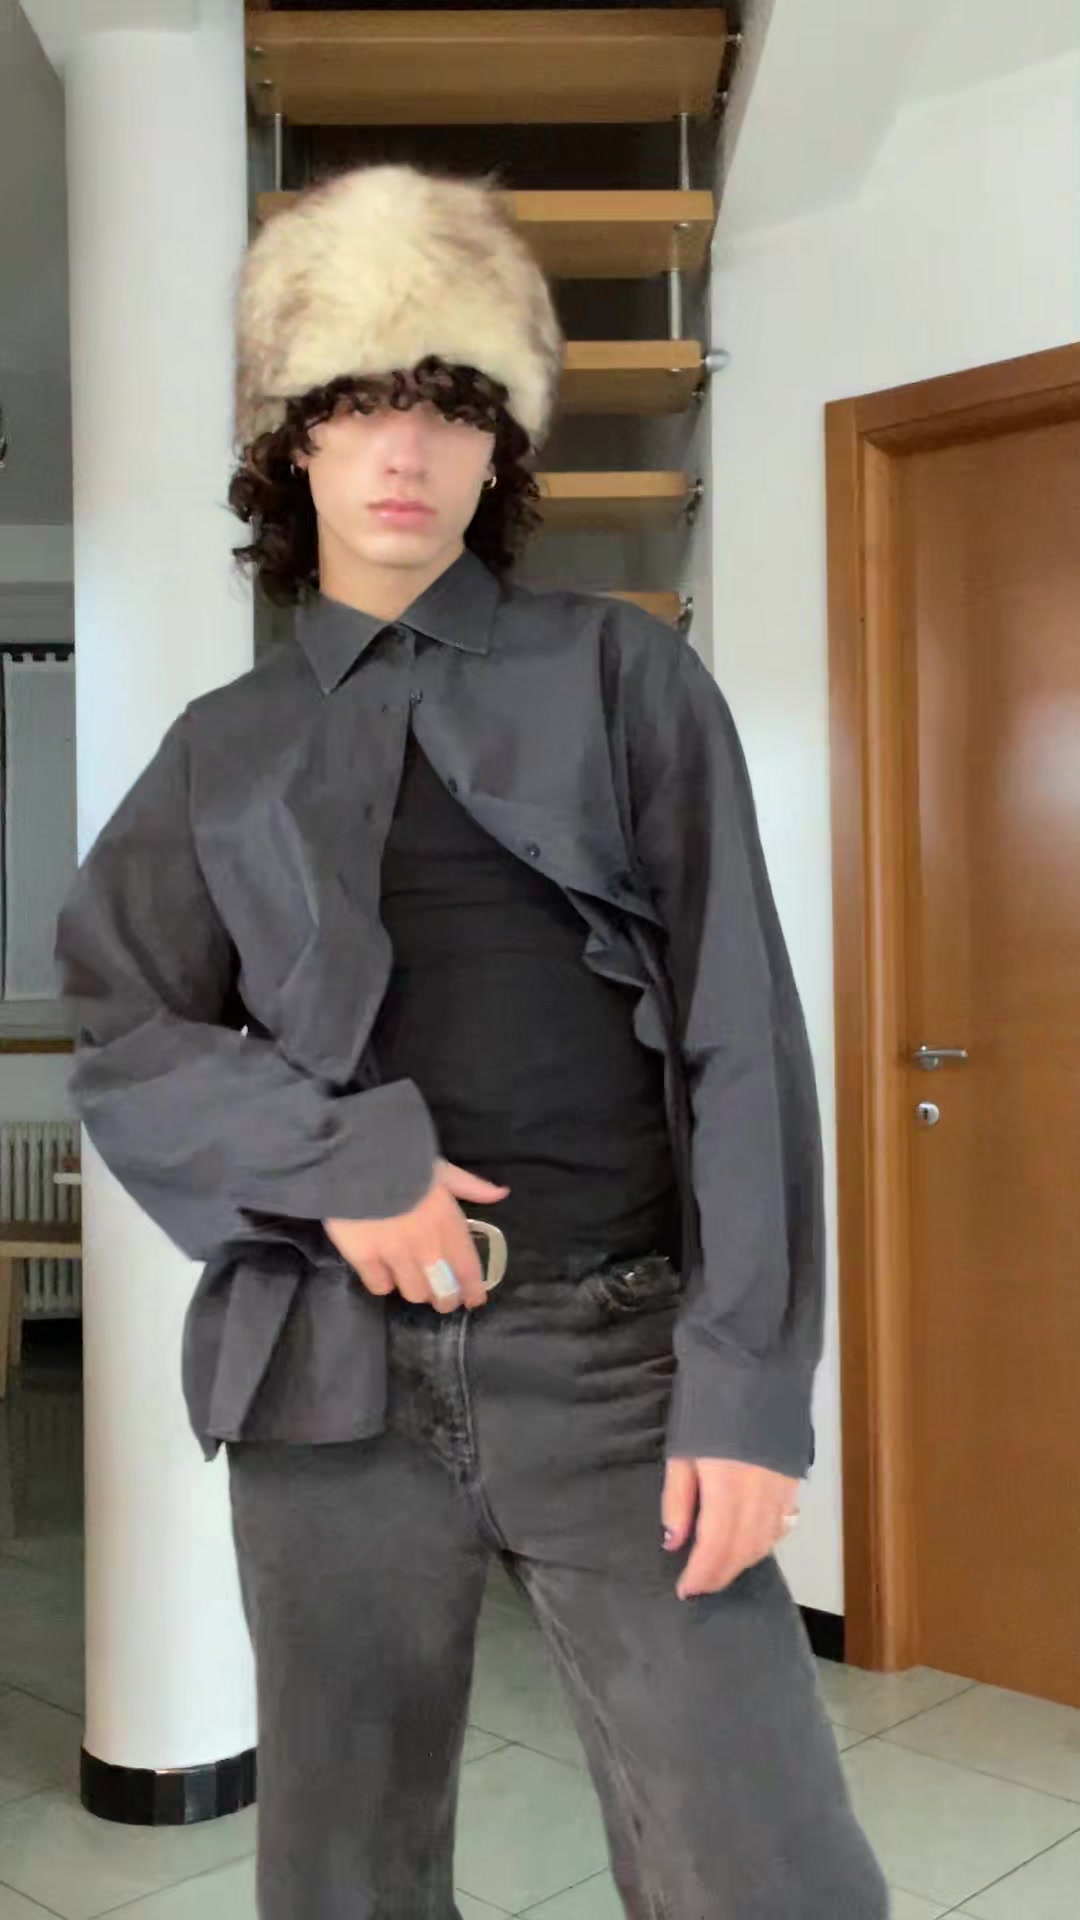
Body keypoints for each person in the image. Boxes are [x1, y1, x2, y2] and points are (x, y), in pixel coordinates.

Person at [55, 163, 888, 1919]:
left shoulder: (625, 678)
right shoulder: (223, 746)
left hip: (616, 1359)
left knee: (771, 1871)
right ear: (291, 443)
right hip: (328, 1389)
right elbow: (125, 1026)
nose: (404, 449)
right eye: (358, 401)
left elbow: (743, 1036)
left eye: (450, 406)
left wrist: (750, 1394)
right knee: (344, 1876)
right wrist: (342, 1168)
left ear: (499, 450)